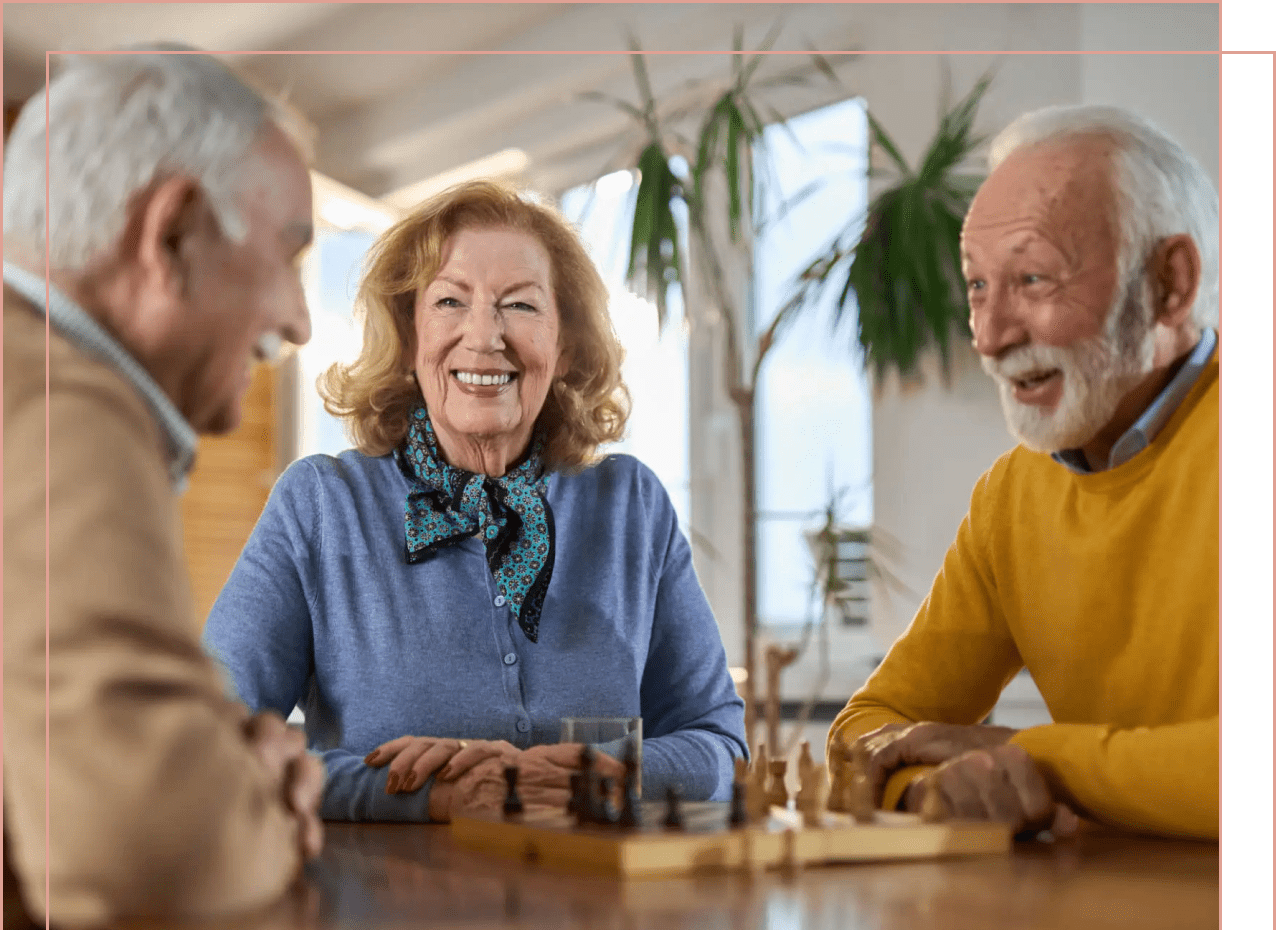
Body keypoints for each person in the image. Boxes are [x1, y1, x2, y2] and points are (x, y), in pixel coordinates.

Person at [202, 179, 749, 823]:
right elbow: (211, 745)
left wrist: (605, 772)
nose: (484, 335)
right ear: (409, 339)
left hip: (600, 911)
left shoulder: (633, 506)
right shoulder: (320, 504)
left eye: (519, 305)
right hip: (382, 913)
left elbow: (721, 747)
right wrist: (417, 794)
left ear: (565, 346)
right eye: (450, 302)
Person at [2, 46, 324, 930]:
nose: (301, 318)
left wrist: (208, 759)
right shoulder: (64, 406)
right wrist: (249, 801)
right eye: (289, 251)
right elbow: (146, 841)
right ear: (172, 235)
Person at [827, 105, 1218, 841]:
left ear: (1170, 284)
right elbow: (869, 727)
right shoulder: (1012, 495)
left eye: (1034, 277)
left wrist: (1035, 757)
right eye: (977, 286)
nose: (989, 335)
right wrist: (927, 781)